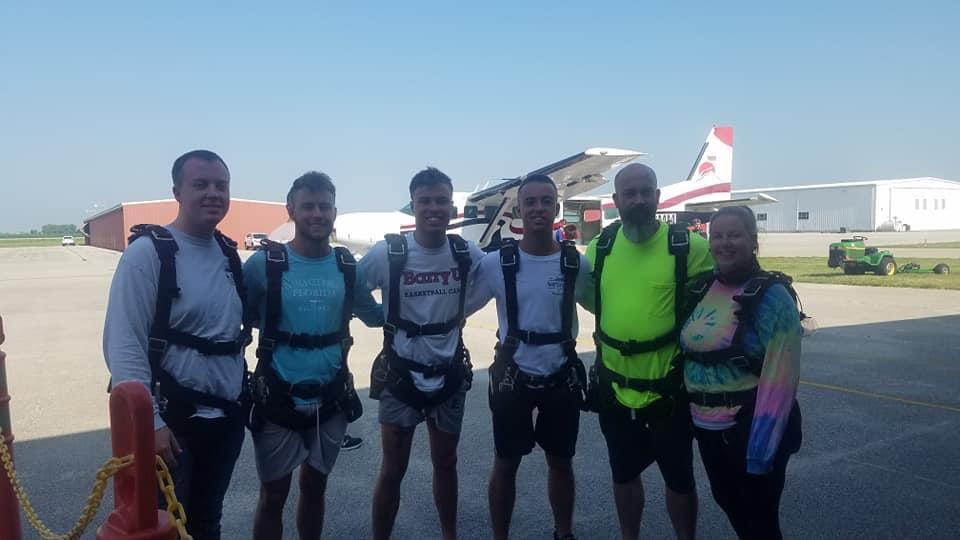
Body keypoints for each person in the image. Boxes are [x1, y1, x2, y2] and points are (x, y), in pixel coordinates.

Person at [103, 150, 247, 540]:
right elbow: (124, 346)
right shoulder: (146, 255)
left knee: (207, 521)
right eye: (201, 184)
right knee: (165, 528)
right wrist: (150, 425)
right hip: (172, 428)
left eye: (221, 185)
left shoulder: (228, 254)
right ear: (177, 192)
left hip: (224, 423)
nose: (213, 193)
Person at [243, 172, 383, 539]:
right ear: (291, 210)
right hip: (278, 395)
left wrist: (428, 304)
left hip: (331, 397)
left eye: (325, 206)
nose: (317, 214)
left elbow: (375, 315)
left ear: (335, 211)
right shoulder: (264, 264)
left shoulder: (346, 267)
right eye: (308, 206)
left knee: (316, 488)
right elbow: (234, 317)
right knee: (273, 495)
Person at [578, 163, 713, 540]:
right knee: (623, 474)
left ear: (657, 196)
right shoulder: (601, 247)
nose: (638, 200)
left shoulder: (690, 248)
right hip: (614, 388)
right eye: (629, 193)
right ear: (616, 200)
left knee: (679, 479)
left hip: (669, 391)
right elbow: (594, 301)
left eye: (645, 192)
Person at [361, 167, 485, 540]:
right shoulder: (388, 253)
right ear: (413, 206)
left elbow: (497, 279)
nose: (434, 208)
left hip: (448, 372)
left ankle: (450, 534)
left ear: (452, 208)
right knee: (392, 469)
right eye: (425, 201)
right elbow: (351, 287)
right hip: (401, 374)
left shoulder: (465, 253)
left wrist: (461, 311)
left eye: (441, 201)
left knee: (446, 462)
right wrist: (376, 317)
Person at [466, 174, 590, 540]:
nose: (538, 208)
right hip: (513, 376)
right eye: (530, 202)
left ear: (556, 207)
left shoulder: (576, 263)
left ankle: (564, 533)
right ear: (519, 210)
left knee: (561, 462)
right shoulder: (496, 264)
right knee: (506, 463)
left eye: (545, 201)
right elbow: (458, 309)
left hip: (561, 374)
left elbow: (606, 306)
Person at [680, 206, 802, 539]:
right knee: (730, 505)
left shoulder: (773, 297)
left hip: (748, 432)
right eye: (717, 236)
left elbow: (781, 380)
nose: (725, 243)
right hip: (706, 428)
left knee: (760, 521)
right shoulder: (703, 289)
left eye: (734, 235)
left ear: (753, 240)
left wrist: (760, 454)